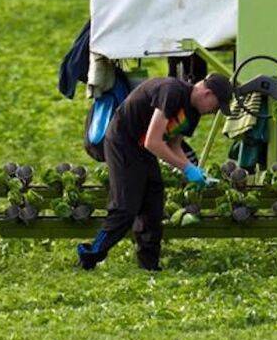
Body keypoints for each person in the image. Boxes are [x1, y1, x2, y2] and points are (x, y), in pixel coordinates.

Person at [77, 73, 233, 271]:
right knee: (126, 206)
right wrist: (186, 168)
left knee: (153, 201)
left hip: (142, 148)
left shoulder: (193, 113)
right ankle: (90, 254)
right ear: (207, 93)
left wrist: (195, 171)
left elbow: (173, 144)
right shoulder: (172, 92)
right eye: (216, 106)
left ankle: (149, 265)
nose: (214, 112)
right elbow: (153, 141)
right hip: (122, 141)